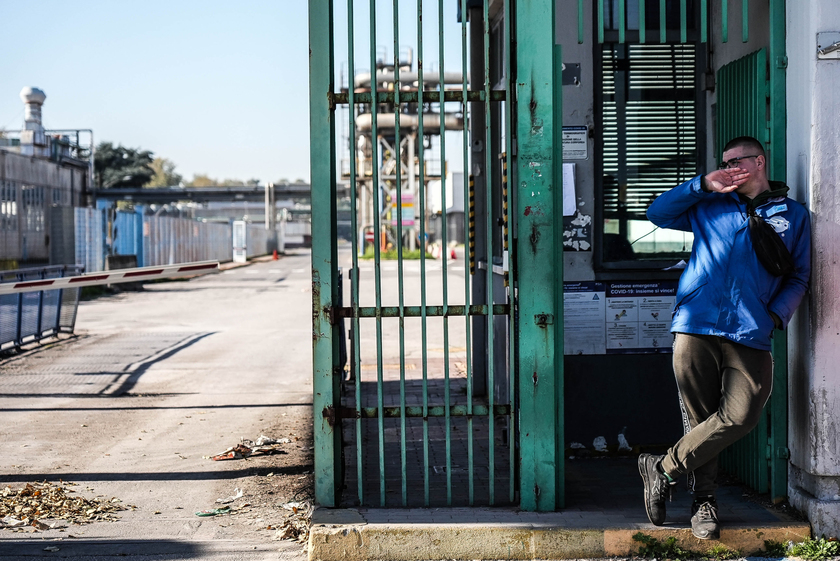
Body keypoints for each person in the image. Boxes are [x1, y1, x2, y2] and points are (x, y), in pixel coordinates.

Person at [639, 136, 811, 540]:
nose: (731, 167)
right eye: (726, 162)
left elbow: (799, 276)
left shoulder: (793, 214)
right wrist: (702, 183)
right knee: (698, 417)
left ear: (760, 162)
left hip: (751, 329)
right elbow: (657, 213)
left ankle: (661, 467)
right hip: (696, 324)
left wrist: (774, 316)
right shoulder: (707, 205)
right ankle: (704, 503)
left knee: (740, 414)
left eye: (739, 161)